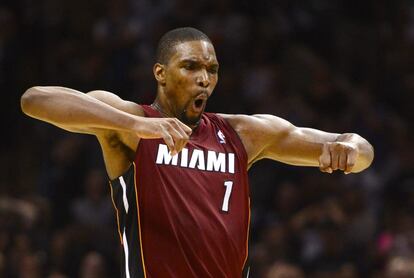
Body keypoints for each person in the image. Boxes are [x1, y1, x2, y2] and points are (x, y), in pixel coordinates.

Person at [20, 27, 374, 277]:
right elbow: (35, 100)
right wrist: (139, 126)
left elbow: (360, 148)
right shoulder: (131, 122)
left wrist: (349, 150)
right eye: (190, 66)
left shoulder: (242, 134)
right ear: (160, 73)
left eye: (212, 69)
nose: (204, 78)